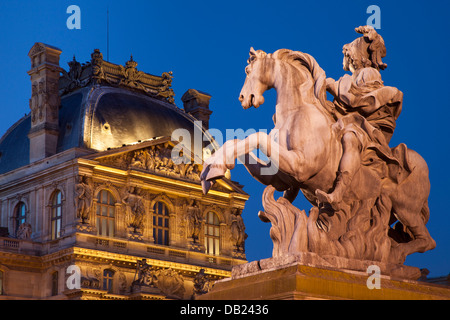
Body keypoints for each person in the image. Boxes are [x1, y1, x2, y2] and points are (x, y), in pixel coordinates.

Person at [315, 26, 404, 210]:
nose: (344, 59)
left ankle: (339, 191)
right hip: (353, 122)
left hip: (368, 128)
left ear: (354, 56)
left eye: (346, 55)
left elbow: (360, 101)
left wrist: (333, 86)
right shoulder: (351, 78)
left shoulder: (367, 73)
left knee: (350, 138)